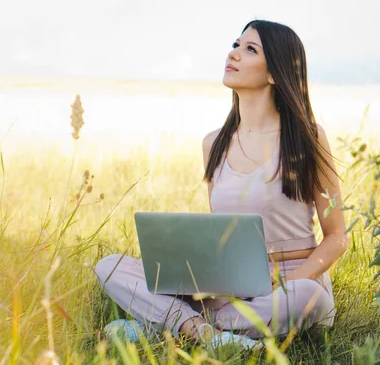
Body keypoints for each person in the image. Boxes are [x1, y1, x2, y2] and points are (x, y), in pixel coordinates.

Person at [95, 19, 348, 349]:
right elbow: (223, 233)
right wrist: (205, 280)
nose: (235, 54)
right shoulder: (213, 144)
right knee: (110, 267)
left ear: (275, 72)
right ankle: (208, 335)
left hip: (294, 284)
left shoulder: (308, 137)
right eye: (235, 45)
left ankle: (167, 326)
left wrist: (284, 283)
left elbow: (336, 238)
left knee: (308, 297)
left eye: (250, 49)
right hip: (230, 287)